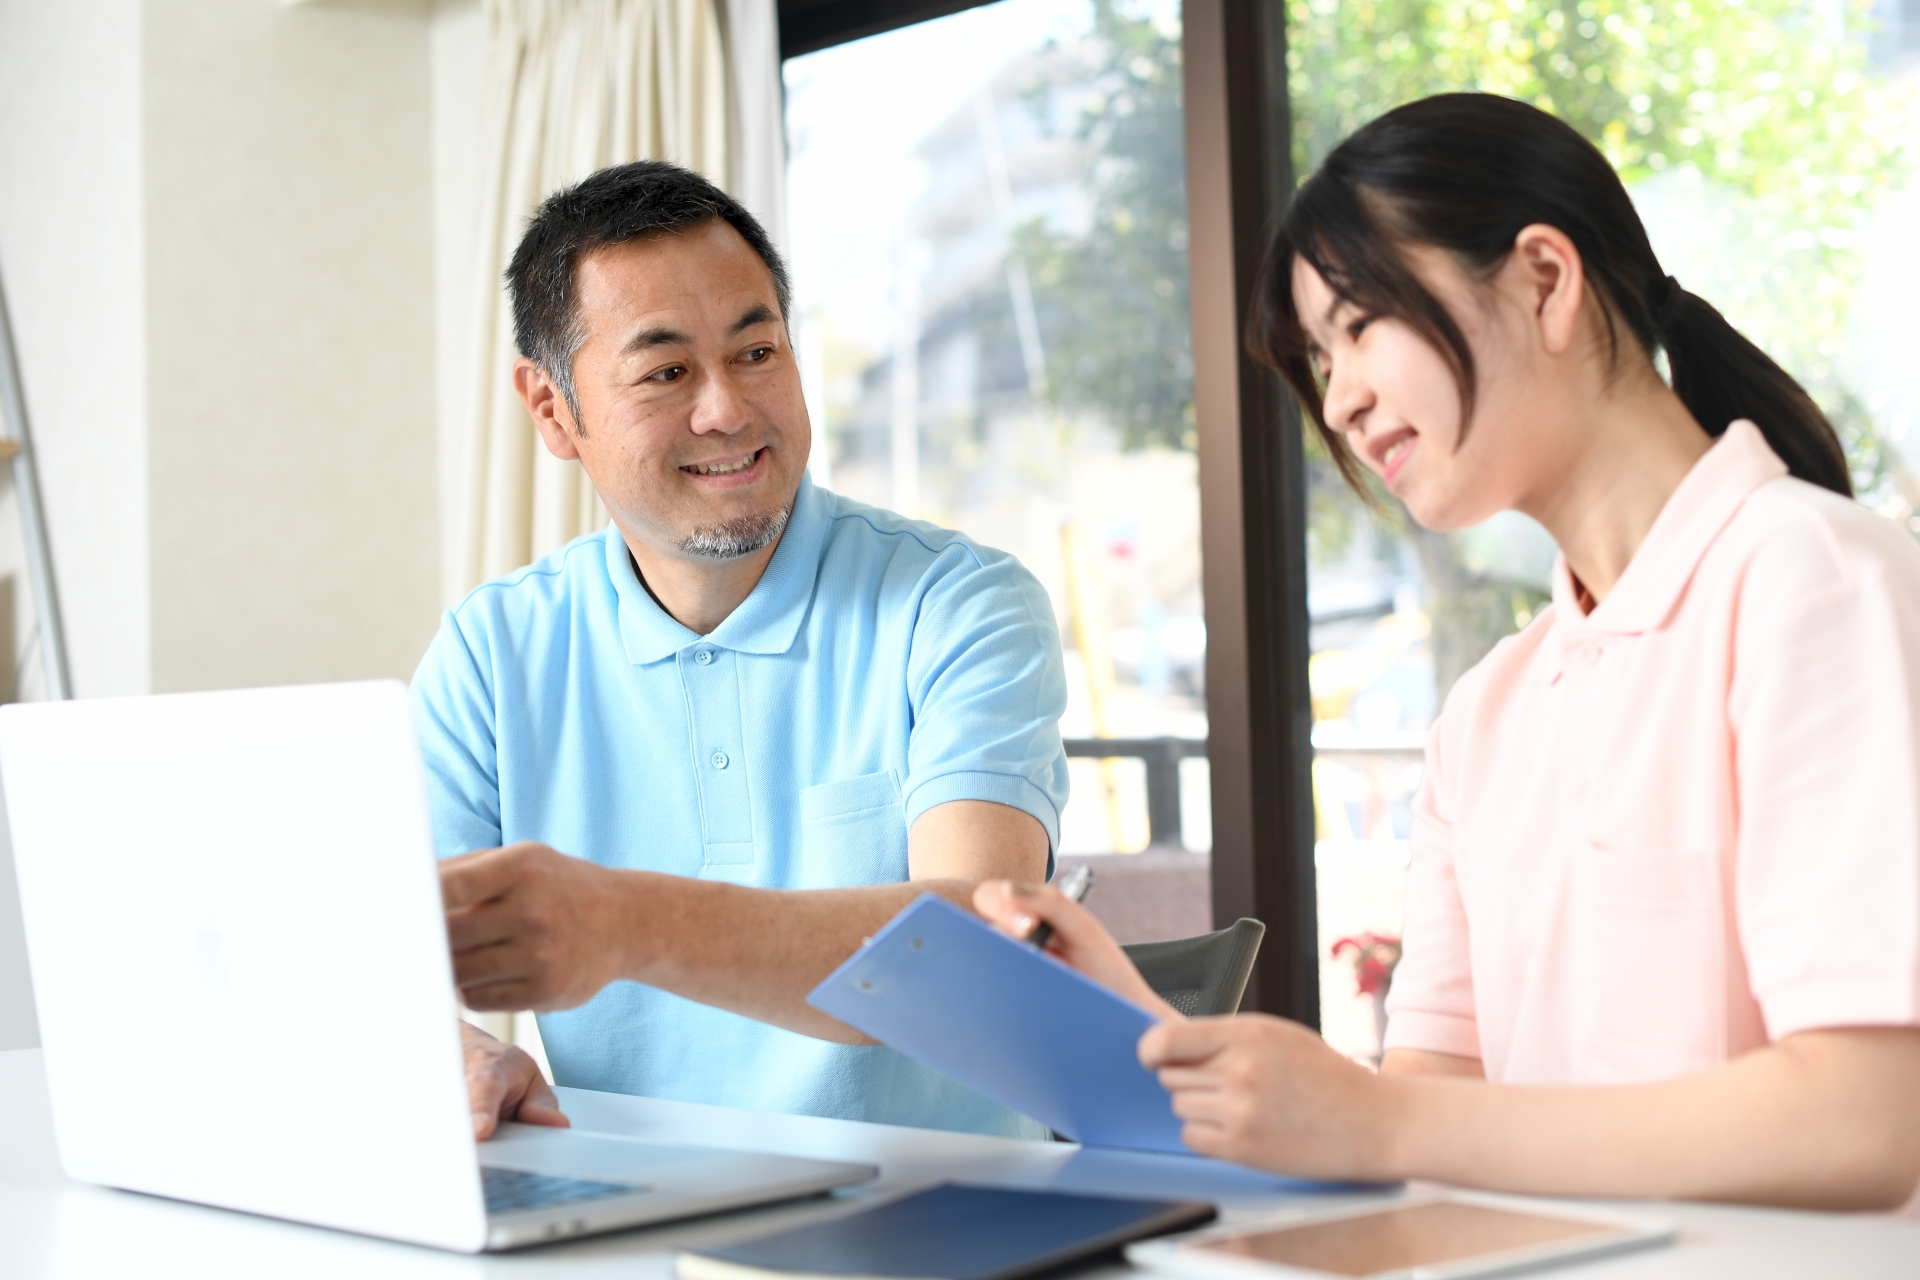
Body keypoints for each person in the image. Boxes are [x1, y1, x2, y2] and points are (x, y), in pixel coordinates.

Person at [977, 93, 1920, 1210]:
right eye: (1320, 358)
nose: (1345, 398)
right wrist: (1145, 1042)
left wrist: (1382, 1115)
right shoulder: (1487, 714)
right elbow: (1431, 1110)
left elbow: (1868, 1114)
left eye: (1361, 323)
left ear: (1544, 279)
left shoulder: (1814, 581)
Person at [414, 161, 1068, 1141]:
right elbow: (378, 952)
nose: (727, 408)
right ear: (553, 411)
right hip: (629, 1217)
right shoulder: (494, 646)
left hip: (937, 1215)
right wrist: (457, 1048)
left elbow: (966, 962)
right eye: (667, 371)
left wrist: (622, 921)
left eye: (756, 351)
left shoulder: (961, 604)